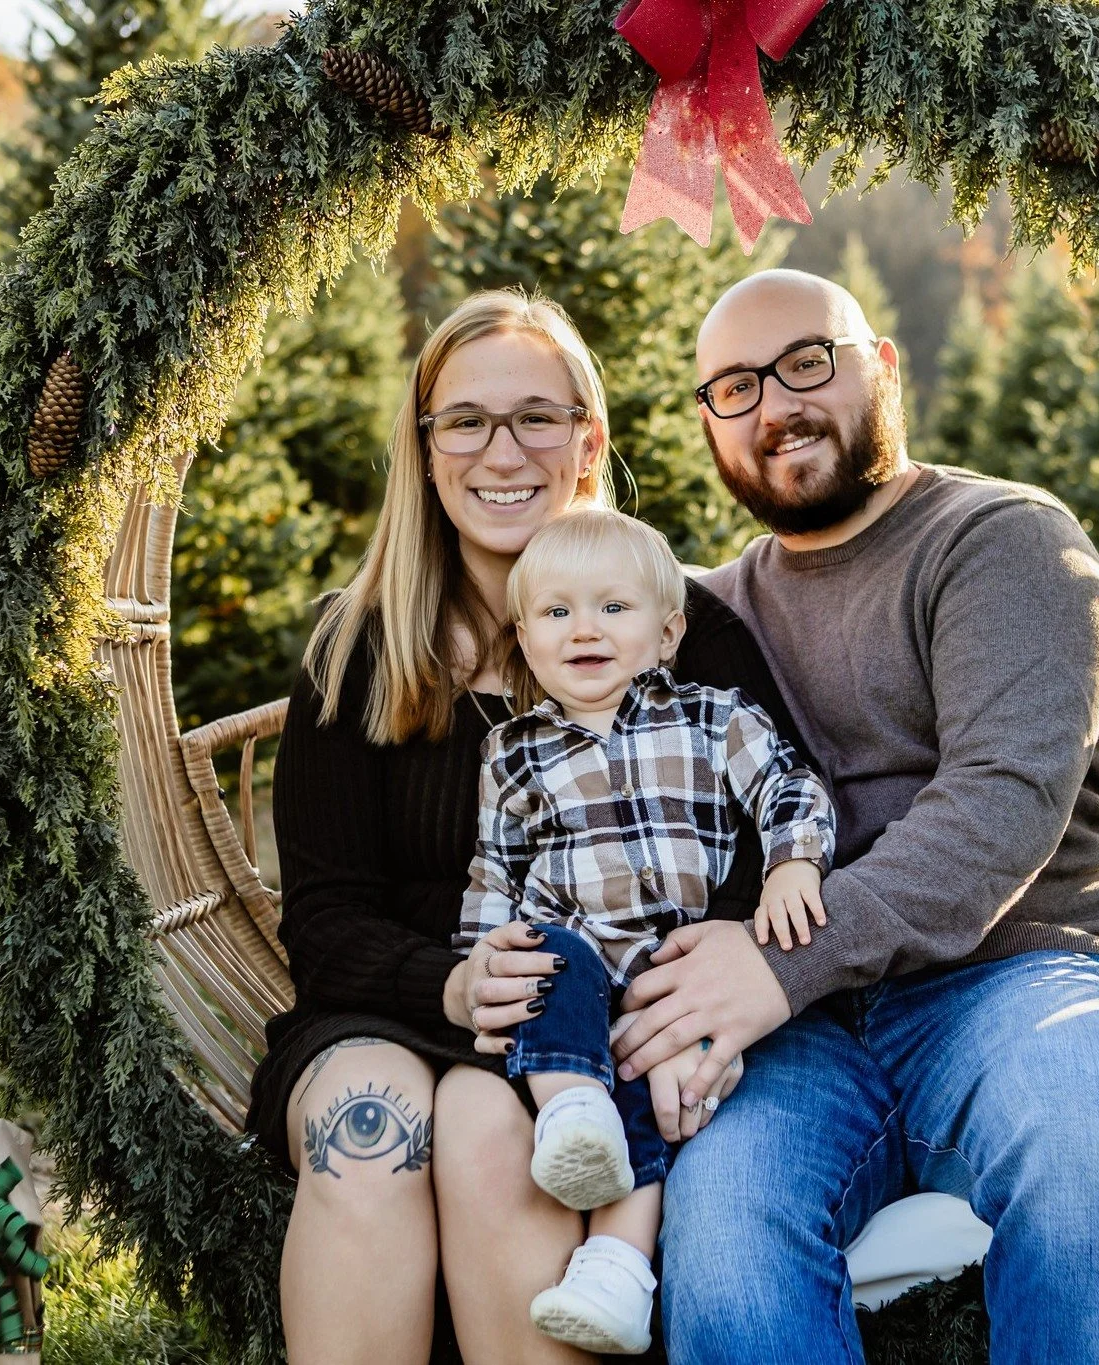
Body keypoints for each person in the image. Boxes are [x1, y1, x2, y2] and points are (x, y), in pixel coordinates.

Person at [609, 269, 1099, 1364]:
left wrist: (776, 964)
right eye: (734, 387)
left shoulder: (1002, 541)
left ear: (881, 366)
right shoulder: (714, 616)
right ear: (707, 423)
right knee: (724, 1227)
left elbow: (998, 810)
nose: (774, 405)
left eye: (804, 363)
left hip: (1025, 975)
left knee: (1077, 1148)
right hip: (813, 1034)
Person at [242, 289, 809, 1365]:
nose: (500, 450)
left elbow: (769, 833)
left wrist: (700, 992)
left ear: (588, 442)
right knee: (373, 1129)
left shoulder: (677, 630)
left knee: (493, 1132)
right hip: (398, 1007)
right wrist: (449, 986)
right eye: (465, 421)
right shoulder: (356, 649)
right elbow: (323, 921)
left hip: (610, 1021)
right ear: (424, 448)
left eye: (536, 418)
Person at [455, 505, 835, 1355]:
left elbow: (790, 790)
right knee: (548, 961)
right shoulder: (512, 753)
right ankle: (571, 1112)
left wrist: (792, 864)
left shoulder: (712, 719)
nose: (583, 630)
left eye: (612, 609)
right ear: (524, 638)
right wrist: (479, 959)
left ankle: (617, 1273)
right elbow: (494, 870)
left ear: (666, 634)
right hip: (571, 977)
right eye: (556, 613)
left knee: (660, 1106)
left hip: (674, 975)